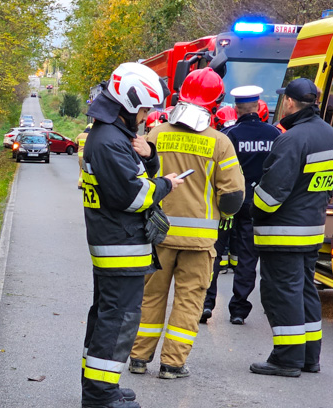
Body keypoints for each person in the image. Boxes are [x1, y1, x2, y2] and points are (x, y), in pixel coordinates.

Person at [80, 62, 184, 408]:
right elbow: (133, 197)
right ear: (127, 104)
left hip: (119, 242)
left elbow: (134, 174)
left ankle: (101, 385)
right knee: (118, 319)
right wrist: (167, 184)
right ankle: (99, 394)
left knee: (108, 316)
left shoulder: (114, 135)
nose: (144, 116)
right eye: (142, 110)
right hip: (119, 245)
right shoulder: (109, 141)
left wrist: (150, 157)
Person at [128, 68, 244, 379]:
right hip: (200, 243)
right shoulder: (220, 143)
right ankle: (172, 365)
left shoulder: (156, 134)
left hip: (158, 235)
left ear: (181, 94)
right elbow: (233, 197)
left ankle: (138, 359)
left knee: (150, 298)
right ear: (216, 101)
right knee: (189, 301)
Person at [250, 78, 333, 377]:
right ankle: (310, 357)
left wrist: (252, 209)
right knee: (304, 291)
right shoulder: (329, 134)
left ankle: (286, 359)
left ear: (289, 102)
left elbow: (271, 194)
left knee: (282, 293)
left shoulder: (292, 138)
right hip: (312, 229)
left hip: (283, 232)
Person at [201, 86, 281, 325]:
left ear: (236, 109)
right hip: (257, 205)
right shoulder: (274, 135)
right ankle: (239, 310)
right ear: (258, 107)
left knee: (214, 253)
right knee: (247, 257)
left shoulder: (229, 135)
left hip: (229, 203)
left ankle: (206, 304)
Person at [76, 123, 92, 188]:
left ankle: (81, 183)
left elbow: (75, 142)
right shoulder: (90, 136)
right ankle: (80, 184)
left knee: (81, 169)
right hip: (86, 155)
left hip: (80, 155)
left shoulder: (80, 135)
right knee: (85, 170)